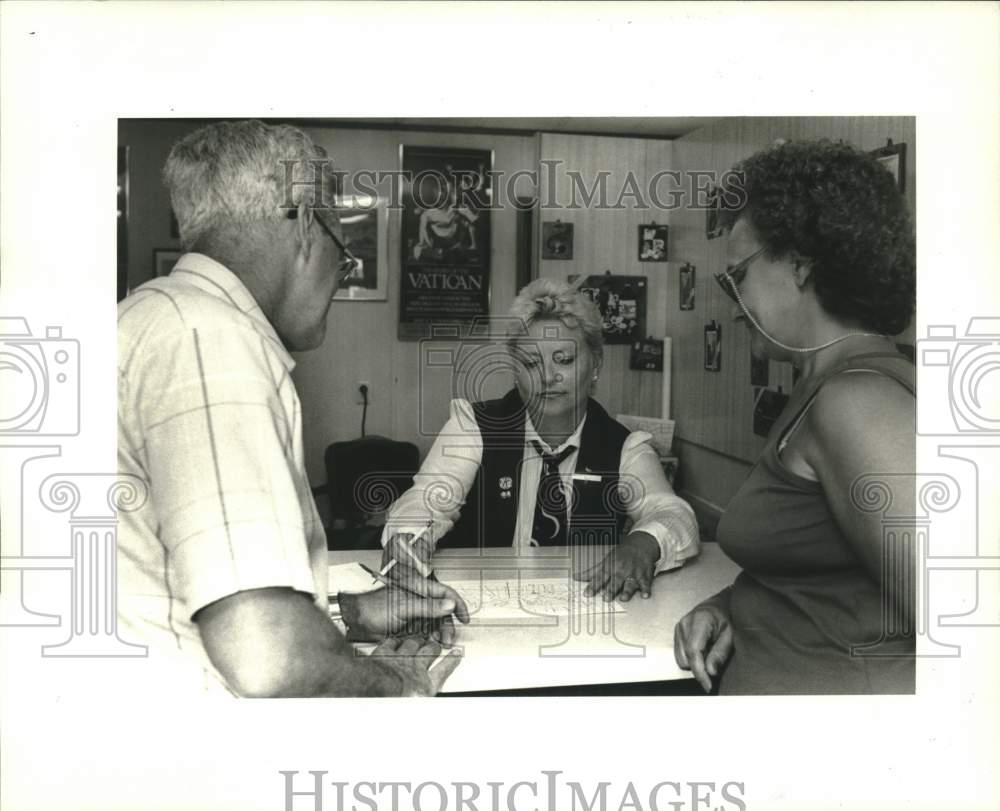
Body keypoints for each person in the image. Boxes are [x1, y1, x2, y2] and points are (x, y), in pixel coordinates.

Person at [117, 120, 468, 697]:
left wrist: (348, 615)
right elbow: (267, 658)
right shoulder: (213, 343)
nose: (343, 267)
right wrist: (398, 686)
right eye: (344, 245)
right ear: (307, 222)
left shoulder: (151, 316)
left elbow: (181, 591)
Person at [673, 139, 916, 694]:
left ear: (802, 266)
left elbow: (957, 613)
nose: (734, 298)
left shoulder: (857, 401)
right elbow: (825, 571)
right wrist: (733, 601)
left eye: (739, 275)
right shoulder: (817, 390)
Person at [381, 278, 700, 600]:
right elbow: (427, 498)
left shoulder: (625, 447)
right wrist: (408, 537)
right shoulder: (472, 425)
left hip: (585, 606)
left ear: (596, 365)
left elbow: (674, 514)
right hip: (481, 602)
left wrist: (643, 544)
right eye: (531, 363)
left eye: (564, 360)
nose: (547, 377)